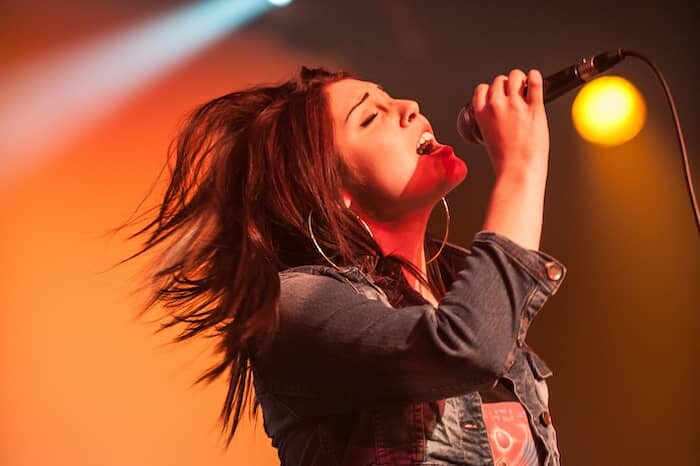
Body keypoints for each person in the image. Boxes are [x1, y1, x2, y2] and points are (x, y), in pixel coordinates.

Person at [121, 66, 566, 465]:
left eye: (391, 97)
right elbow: (466, 348)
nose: (409, 107)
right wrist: (522, 168)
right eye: (370, 117)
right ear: (330, 191)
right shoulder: (296, 305)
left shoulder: (463, 285)